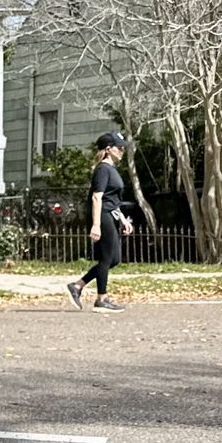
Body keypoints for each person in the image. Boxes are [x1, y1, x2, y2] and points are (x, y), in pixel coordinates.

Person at [67, 131, 135, 312]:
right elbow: (97, 198)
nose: (122, 151)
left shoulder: (112, 169)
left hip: (110, 214)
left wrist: (123, 219)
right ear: (108, 149)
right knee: (106, 258)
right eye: (119, 148)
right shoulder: (103, 169)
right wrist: (96, 225)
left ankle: (77, 286)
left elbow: (112, 200)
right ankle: (101, 299)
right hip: (102, 216)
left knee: (114, 259)